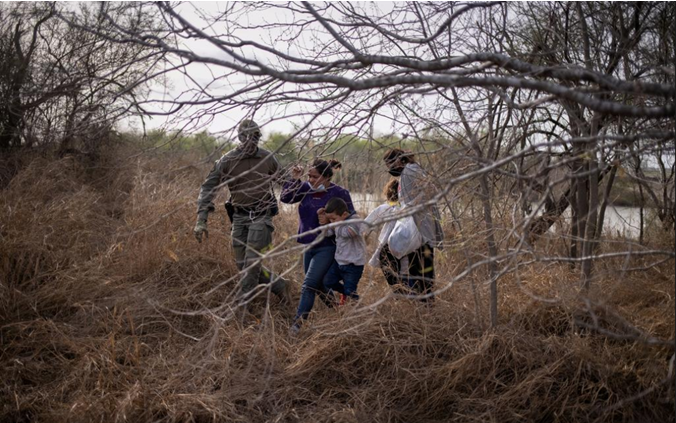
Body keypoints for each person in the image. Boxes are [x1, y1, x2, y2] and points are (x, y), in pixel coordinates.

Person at [193, 119, 289, 308]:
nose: (251, 142)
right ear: (239, 137)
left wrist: (300, 181)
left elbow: (287, 183)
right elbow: (208, 188)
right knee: (244, 266)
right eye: (247, 137)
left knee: (252, 264)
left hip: (261, 216)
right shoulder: (227, 160)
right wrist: (201, 220)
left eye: (255, 138)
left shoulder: (267, 158)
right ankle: (279, 284)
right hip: (239, 217)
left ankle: (241, 309)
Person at [280, 159, 354, 333]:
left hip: (328, 245)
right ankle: (340, 309)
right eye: (309, 176)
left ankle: (297, 325)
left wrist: (331, 220)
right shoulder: (305, 188)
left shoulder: (339, 193)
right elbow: (285, 198)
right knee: (318, 284)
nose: (311, 180)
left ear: (327, 177)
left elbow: (352, 219)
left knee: (308, 284)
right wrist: (295, 179)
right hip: (308, 245)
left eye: (315, 177)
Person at [382, 149, 444, 301]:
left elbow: (432, 190)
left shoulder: (410, 170)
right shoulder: (408, 172)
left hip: (421, 230)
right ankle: (413, 300)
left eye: (391, 163)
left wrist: (411, 206)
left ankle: (424, 306)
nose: (390, 168)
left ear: (399, 160)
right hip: (415, 229)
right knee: (415, 269)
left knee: (423, 272)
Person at [363, 178, 409, 291]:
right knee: (404, 271)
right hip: (408, 245)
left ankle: (399, 293)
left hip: (389, 246)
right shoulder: (409, 208)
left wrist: (363, 235)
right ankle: (404, 294)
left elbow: (366, 223)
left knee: (392, 273)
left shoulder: (386, 208)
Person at [322, 197, 367, 304]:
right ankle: (346, 292)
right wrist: (325, 223)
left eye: (333, 219)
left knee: (350, 289)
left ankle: (355, 303)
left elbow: (349, 233)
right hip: (339, 262)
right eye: (330, 220)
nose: (332, 222)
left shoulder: (355, 220)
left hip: (354, 265)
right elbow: (327, 233)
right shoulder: (338, 223)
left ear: (344, 215)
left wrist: (335, 226)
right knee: (327, 281)